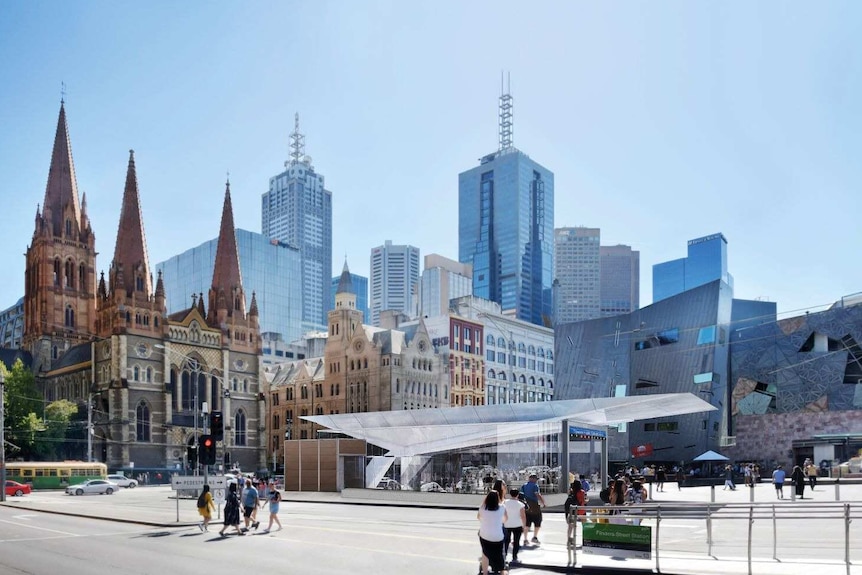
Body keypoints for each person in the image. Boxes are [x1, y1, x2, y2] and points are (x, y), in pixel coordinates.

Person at [477, 491, 508, 575]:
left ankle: (485, 572)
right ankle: (501, 570)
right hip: (498, 536)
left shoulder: (482, 507)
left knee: (485, 553)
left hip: (485, 535)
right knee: (499, 553)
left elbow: (479, 518)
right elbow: (505, 519)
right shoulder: (502, 507)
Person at [521, 473, 546, 545]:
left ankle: (525, 539)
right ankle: (534, 537)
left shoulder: (524, 486)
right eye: (535, 479)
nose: (536, 481)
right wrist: (543, 502)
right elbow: (537, 494)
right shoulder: (535, 486)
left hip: (526, 506)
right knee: (538, 521)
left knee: (526, 523)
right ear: (532, 479)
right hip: (534, 507)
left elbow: (521, 495)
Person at [503, 488, 526, 564]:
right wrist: (524, 525)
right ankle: (514, 557)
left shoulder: (505, 502)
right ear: (518, 495)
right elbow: (523, 516)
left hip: (507, 524)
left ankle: (504, 556)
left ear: (510, 494)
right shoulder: (520, 504)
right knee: (516, 542)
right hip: (517, 525)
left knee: (506, 541)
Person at [564, 481, 586, 548]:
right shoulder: (582, 492)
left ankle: (569, 540)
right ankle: (585, 540)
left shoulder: (571, 492)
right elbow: (583, 501)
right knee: (584, 526)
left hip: (573, 511)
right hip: (581, 511)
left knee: (570, 527)